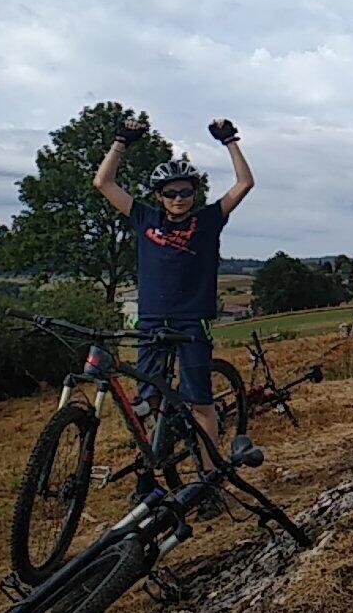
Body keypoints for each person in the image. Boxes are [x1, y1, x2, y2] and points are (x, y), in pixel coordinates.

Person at [93, 115, 251, 505]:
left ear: (194, 193)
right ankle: (149, 476)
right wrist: (120, 141)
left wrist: (230, 140)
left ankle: (210, 482)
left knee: (200, 402)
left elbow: (244, 184)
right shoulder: (145, 217)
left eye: (185, 191)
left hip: (191, 321)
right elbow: (104, 183)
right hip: (151, 321)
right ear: (159, 195)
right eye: (170, 192)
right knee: (147, 403)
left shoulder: (208, 220)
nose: (178, 198)